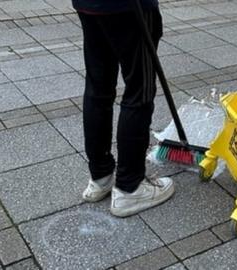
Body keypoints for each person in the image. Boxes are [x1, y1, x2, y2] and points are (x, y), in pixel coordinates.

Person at [72, 0, 174, 217]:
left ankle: (101, 177)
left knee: (98, 88)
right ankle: (130, 187)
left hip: (88, 4)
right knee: (140, 90)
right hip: (129, 6)